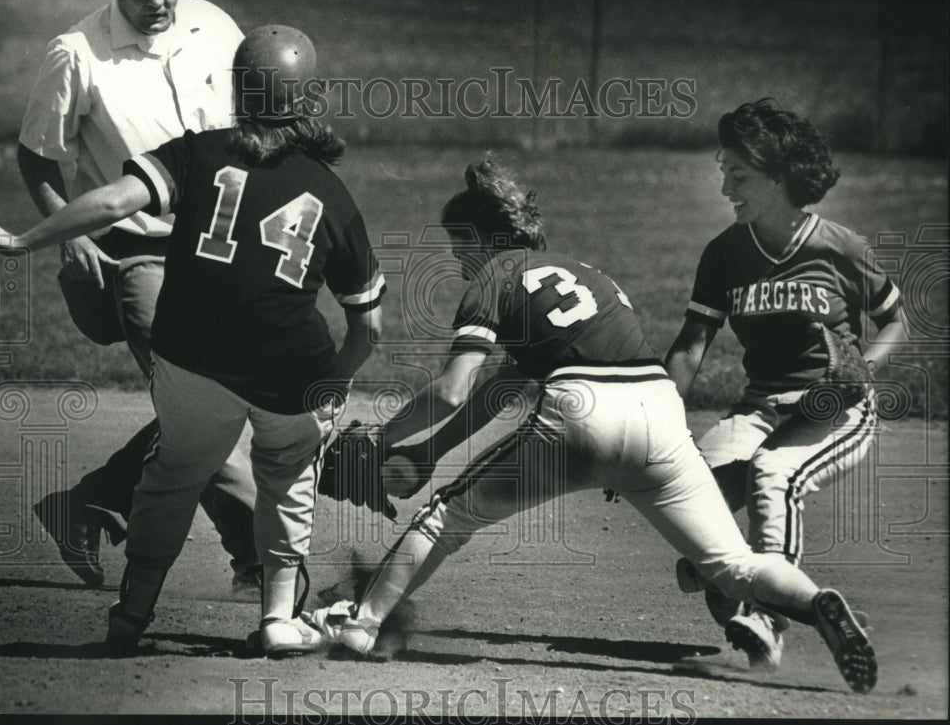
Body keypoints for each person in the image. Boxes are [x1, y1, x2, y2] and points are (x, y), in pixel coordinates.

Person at [303, 156, 878, 694]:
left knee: (445, 518)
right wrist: (428, 453)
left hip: (580, 413)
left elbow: (454, 390)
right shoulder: (587, 274)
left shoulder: (492, 278)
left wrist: (385, 439)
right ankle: (817, 600)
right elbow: (502, 389)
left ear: (482, 240)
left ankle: (360, 625)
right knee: (733, 564)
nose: (457, 261)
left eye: (460, 246)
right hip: (658, 415)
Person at [0, 25, 386, 656]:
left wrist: (23, 242)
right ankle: (279, 618)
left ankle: (130, 616)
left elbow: (112, 202)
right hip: (288, 371)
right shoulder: (332, 193)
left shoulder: (197, 151)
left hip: (190, 354)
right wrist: (331, 386)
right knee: (288, 476)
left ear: (238, 93)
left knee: (173, 475)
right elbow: (369, 325)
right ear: (309, 101)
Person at [16, 0, 258, 590]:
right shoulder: (77, 52)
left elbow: (247, 131)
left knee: (218, 400)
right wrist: (70, 233)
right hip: (134, 254)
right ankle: (263, 561)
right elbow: (37, 156)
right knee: (200, 404)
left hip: (214, 250)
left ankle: (88, 502)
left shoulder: (214, 25)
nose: (160, 0)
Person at [663, 99, 906, 672]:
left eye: (738, 174)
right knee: (691, 504)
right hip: (761, 406)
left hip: (833, 404)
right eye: (723, 172)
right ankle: (801, 607)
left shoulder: (840, 247)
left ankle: (769, 618)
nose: (726, 187)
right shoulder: (725, 253)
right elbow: (691, 346)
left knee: (774, 475)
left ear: (779, 175)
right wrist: (654, 423)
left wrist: (863, 369)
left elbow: (897, 321)